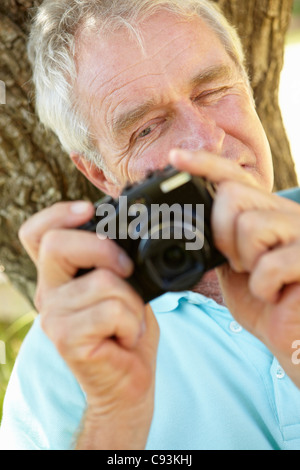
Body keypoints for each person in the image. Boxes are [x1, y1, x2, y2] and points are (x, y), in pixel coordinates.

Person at [1, 0, 300, 450]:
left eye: (213, 90)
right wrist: (115, 419)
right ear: (101, 175)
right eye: (146, 128)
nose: (206, 139)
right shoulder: (71, 353)